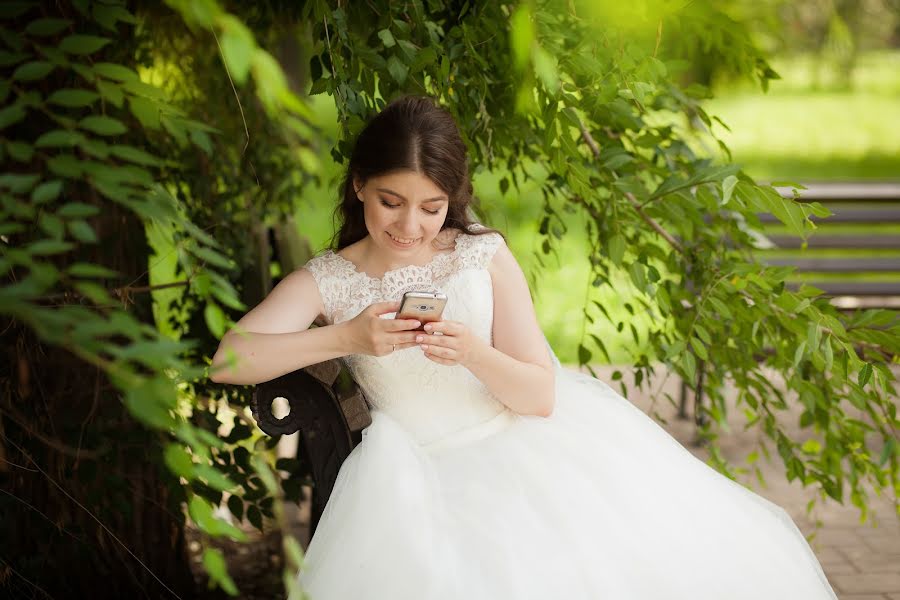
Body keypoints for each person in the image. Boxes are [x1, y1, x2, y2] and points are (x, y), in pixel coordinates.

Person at [210, 96, 838, 599]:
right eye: (390, 203)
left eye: (432, 208)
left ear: (452, 201)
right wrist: (348, 335)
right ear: (358, 188)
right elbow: (228, 361)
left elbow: (539, 396)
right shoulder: (332, 278)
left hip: (526, 447)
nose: (410, 227)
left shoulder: (480, 253)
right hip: (417, 473)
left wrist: (473, 353)